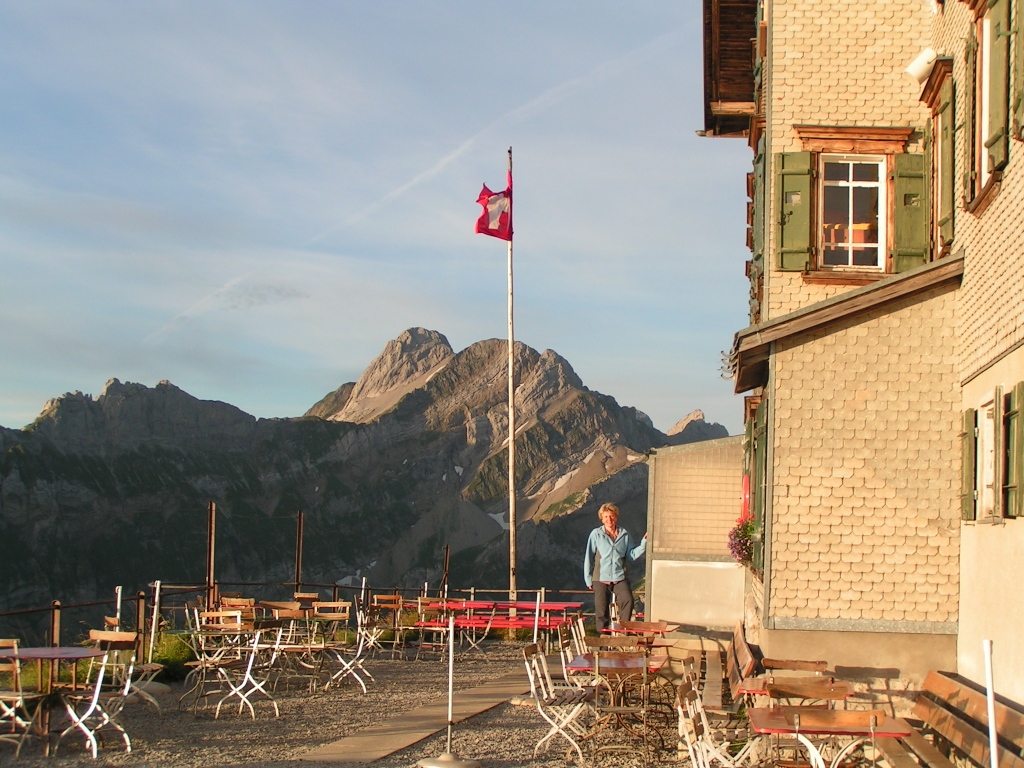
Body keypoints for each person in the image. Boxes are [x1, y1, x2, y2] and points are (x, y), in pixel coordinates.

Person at [583, 502, 647, 633]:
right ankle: (603, 641)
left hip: (619, 577)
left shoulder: (624, 534)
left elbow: (631, 555)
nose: (609, 519)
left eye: (611, 516)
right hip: (600, 578)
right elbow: (588, 557)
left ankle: (623, 631)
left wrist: (644, 543)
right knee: (602, 611)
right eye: (606, 517)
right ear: (602, 519)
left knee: (628, 600)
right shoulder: (596, 534)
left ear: (616, 517)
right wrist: (588, 579)